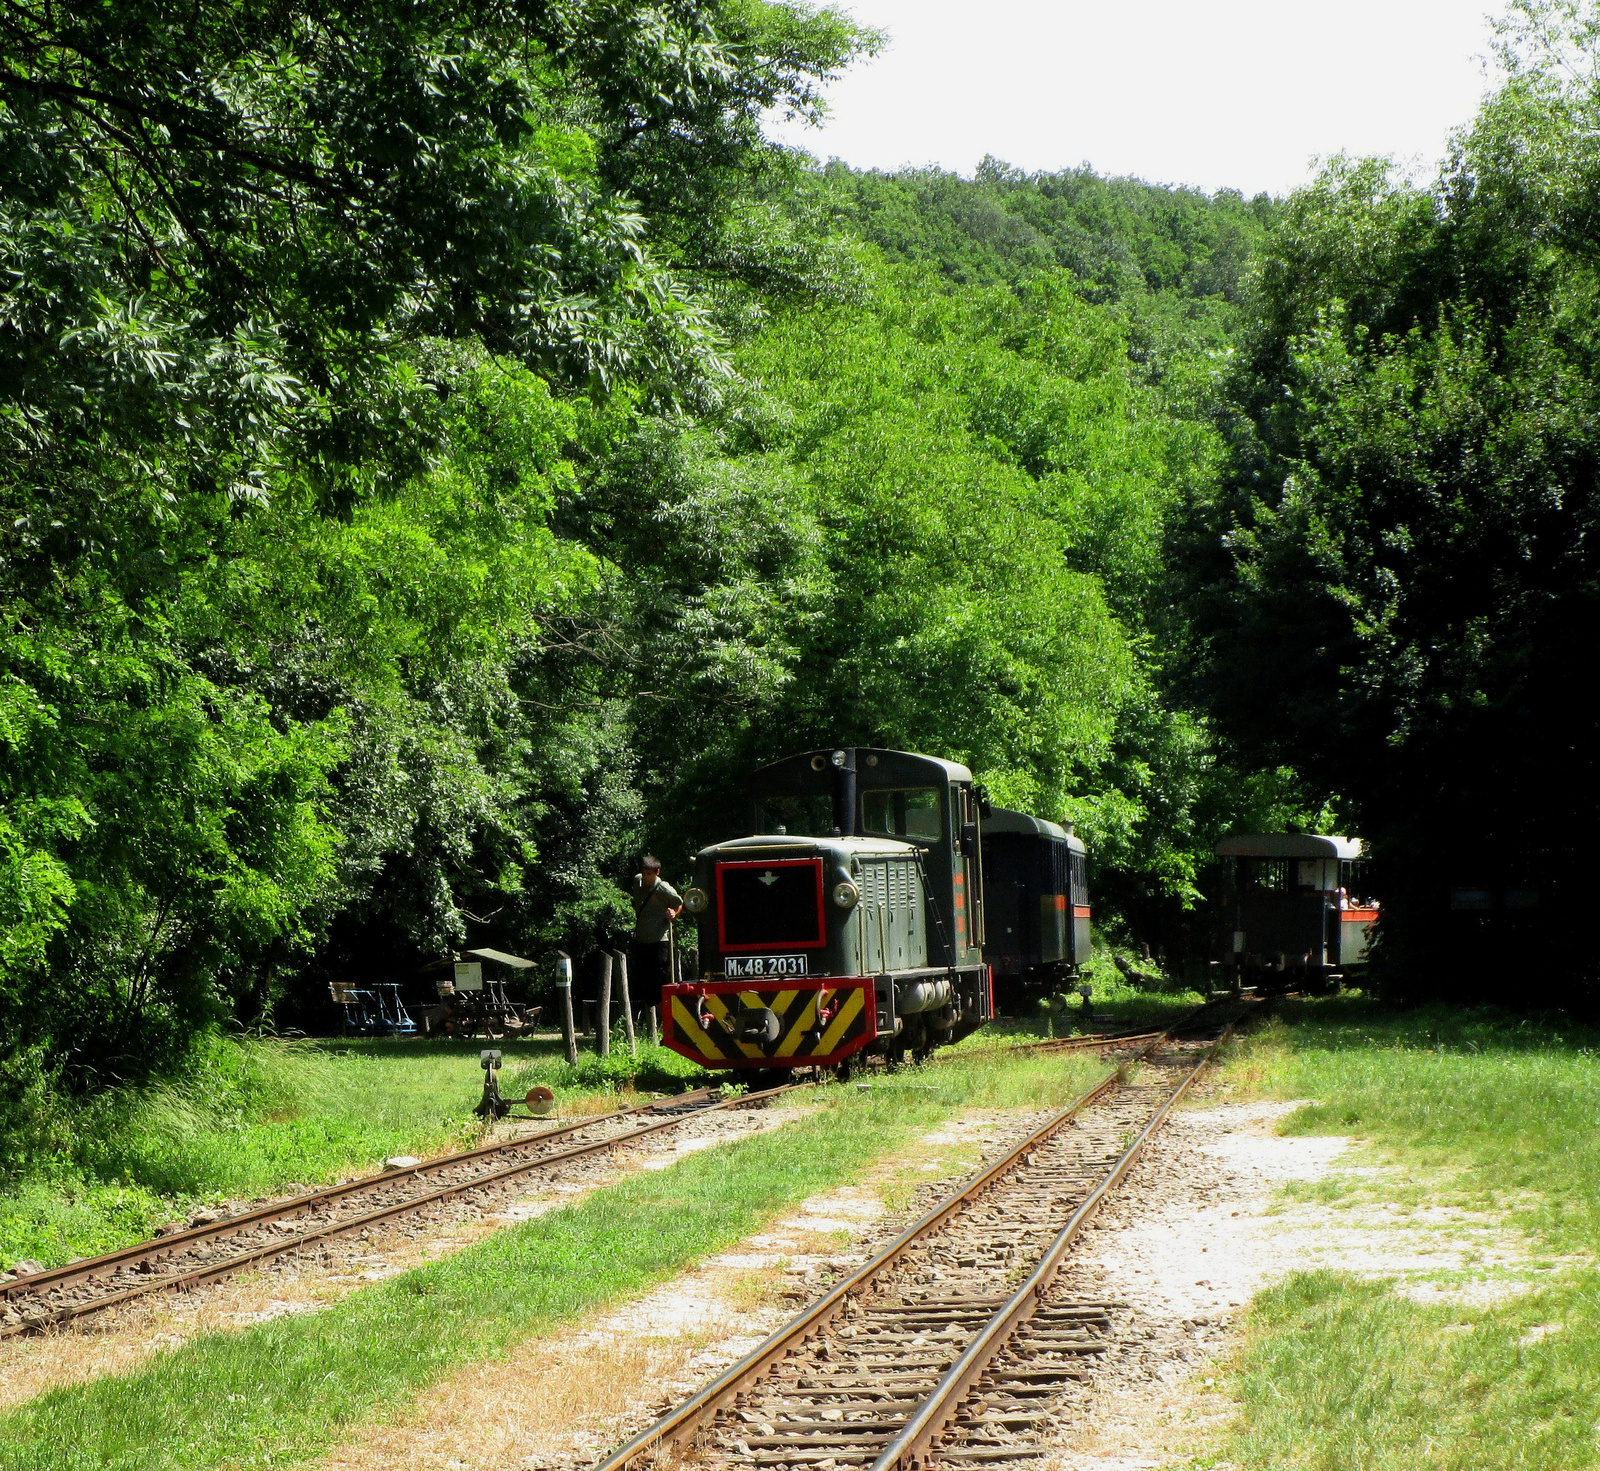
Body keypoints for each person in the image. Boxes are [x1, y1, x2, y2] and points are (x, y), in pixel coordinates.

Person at [629, 855, 683, 1006]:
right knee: (642, 983)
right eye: (644, 873)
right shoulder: (637, 881)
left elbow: (679, 903)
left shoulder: (663, 888)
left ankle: (664, 1016)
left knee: (660, 982)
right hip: (641, 940)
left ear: (657, 872)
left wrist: (674, 913)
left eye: (649, 874)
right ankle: (648, 1021)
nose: (646, 877)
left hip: (659, 941)